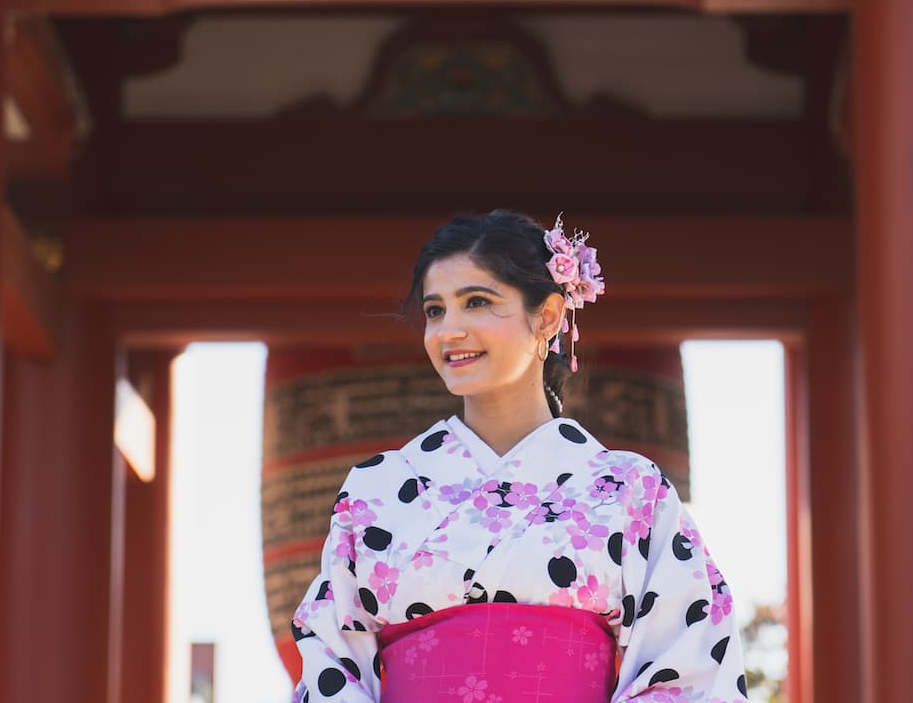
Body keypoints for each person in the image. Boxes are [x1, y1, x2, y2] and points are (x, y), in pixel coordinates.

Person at [290, 210, 748, 702]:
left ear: (548, 317)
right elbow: (330, 657)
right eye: (435, 310)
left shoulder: (630, 490)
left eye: (477, 302)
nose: (449, 331)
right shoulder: (376, 489)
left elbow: (689, 664)